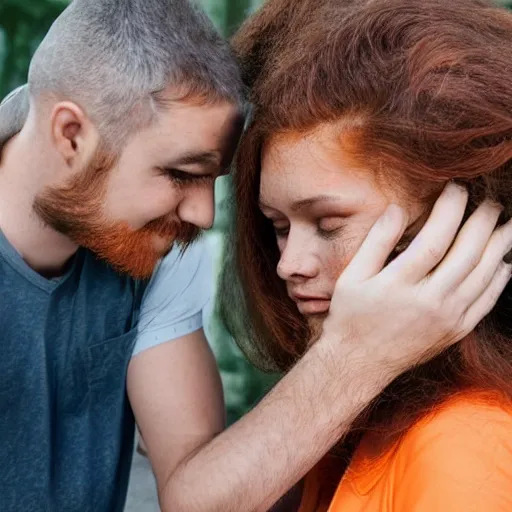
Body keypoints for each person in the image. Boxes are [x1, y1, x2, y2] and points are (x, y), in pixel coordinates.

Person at [0, 1, 510, 512]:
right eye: (180, 173)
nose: (200, 216)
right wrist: (356, 354)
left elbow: (198, 496)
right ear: (71, 134)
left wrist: (357, 359)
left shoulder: (152, 244)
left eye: (212, 180)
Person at [223, 0, 512, 510]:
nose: (288, 264)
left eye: (328, 225)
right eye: (279, 227)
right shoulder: (364, 414)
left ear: (461, 226)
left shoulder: (466, 446)